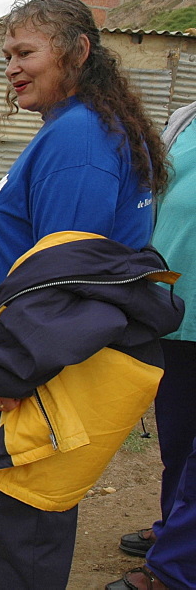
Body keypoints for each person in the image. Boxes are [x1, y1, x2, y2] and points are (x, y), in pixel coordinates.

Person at [0, 0, 179, 589]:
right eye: (8, 54)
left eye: (26, 51)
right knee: (12, 541)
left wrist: (10, 372)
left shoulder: (79, 140)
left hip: (43, 380)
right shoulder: (80, 128)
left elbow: (61, 284)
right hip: (37, 374)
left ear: (78, 53)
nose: (12, 67)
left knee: (21, 554)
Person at [107, 101, 196, 589]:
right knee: (178, 440)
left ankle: (176, 570)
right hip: (175, 312)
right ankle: (174, 532)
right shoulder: (186, 118)